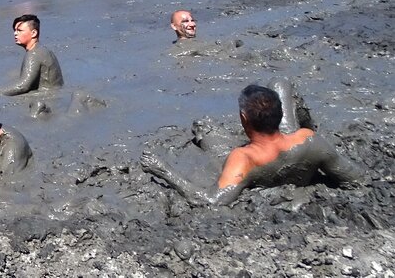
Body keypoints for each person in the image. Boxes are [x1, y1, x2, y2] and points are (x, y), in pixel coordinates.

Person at [141, 81, 362, 206]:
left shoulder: (242, 159)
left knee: (203, 127)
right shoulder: (309, 139)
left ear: (244, 118)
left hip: (260, 160)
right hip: (296, 151)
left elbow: (211, 201)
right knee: (279, 83)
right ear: (280, 113)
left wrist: (162, 170)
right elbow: (354, 178)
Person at [0, 14, 64, 96]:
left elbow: (23, 86)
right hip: (55, 96)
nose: (15, 33)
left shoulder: (33, 54)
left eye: (19, 30)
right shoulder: (44, 50)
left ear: (34, 33)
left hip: (44, 99)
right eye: (14, 30)